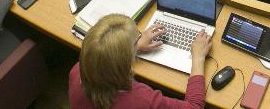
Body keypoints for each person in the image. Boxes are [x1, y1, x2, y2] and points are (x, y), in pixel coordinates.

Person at [70, 13, 209, 109]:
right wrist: (198, 58)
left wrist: (132, 48)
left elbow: (106, 63)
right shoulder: (142, 100)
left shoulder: (77, 71)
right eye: (137, 39)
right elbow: (195, 106)